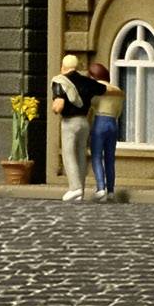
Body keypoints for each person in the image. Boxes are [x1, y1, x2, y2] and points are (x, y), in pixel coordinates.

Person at [50, 54, 100, 202]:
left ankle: (74, 188)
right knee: (80, 155)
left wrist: (54, 108)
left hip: (69, 122)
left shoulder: (59, 81)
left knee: (68, 154)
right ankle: (81, 191)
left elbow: (59, 105)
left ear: (63, 67)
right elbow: (103, 88)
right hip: (84, 122)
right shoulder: (88, 82)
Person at [86, 60, 123, 202]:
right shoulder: (118, 91)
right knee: (109, 158)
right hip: (113, 123)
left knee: (96, 156)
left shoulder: (96, 89)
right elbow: (119, 111)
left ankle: (101, 188)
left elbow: (91, 106)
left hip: (100, 121)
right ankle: (111, 190)